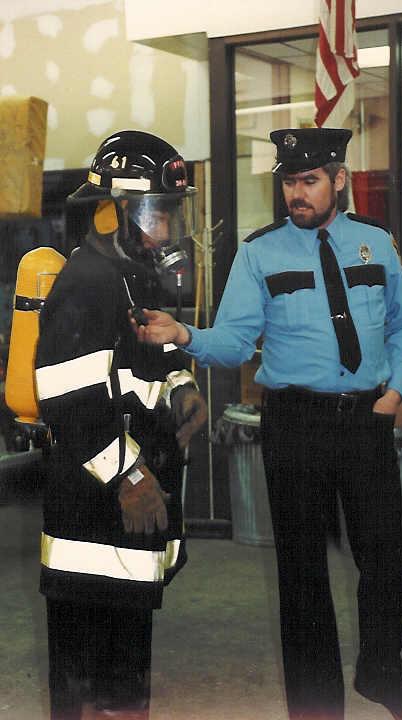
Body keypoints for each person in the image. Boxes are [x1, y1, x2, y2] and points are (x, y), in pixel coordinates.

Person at [131, 127, 402, 720]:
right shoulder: (259, 252)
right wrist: (186, 334)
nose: (296, 194)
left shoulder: (375, 243)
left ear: (338, 180)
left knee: (387, 560)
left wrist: (396, 388)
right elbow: (235, 340)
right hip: (296, 423)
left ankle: (382, 676)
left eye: (309, 182)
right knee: (302, 574)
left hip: (365, 420)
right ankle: (316, 708)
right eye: (289, 183)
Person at [35, 130, 207, 720]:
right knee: (91, 685)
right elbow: (68, 398)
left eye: (171, 211)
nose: (166, 228)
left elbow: (151, 359)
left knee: (127, 677)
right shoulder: (88, 279)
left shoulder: (137, 272)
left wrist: (182, 391)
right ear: (116, 209)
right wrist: (130, 477)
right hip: (94, 513)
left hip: (127, 514)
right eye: (157, 211)